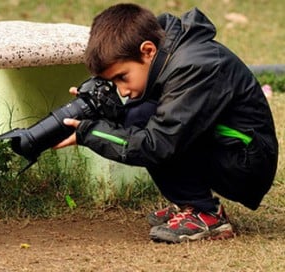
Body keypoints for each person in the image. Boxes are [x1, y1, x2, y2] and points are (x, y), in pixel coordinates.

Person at [55, 3, 278, 243]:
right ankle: (189, 203)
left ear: (148, 50)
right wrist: (109, 111)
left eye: (122, 77)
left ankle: (205, 214)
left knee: (147, 127)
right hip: (229, 146)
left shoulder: (194, 65)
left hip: (247, 161)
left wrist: (90, 133)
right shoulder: (170, 54)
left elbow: (158, 143)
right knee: (136, 115)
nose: (123, 89)